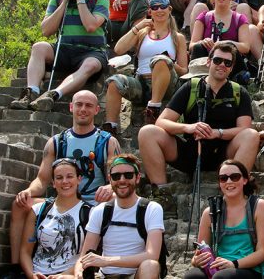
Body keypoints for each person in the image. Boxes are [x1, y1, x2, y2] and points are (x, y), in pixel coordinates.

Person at [138, 44, 260, 210]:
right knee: (147, 132)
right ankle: (162, 195)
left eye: (228, 63)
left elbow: (245, 129)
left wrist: (218, 133)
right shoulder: (191, 87)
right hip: (191, 150)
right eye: (218, 60)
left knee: (252, 135)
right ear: (209, 62)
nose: (222, 65)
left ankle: (235, 192)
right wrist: (189, 128)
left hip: (224, 155)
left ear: (231, 68)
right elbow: (161, 122)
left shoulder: (239, 92)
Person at [9, 90, 118, 274]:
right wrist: (28, 191)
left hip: (93, 200)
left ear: (97, 110)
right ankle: (14, 267)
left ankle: (98, 265)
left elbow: (117, 179)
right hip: (61, 199)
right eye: (79, 104)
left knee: (113, 202)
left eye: (89, 105)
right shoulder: (56, 142)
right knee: (20, 203)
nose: (83, 109)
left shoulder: (107, 142)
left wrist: (109, 187)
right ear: (71, 107)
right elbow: (42, 180)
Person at [10, 0, 110, 112]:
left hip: (91, 51)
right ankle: (31, 92)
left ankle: (53, 95)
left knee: (91, 64)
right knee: (38, 47)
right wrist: (64, 3)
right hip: (62, 49)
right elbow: (46, 31)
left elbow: (91, 26)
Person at [105, 0, 189, 131]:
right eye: (155, 7)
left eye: (163, 7)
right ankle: (110, 126)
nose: (159, 10)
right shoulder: (142, 33)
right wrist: (137, 28)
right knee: (114, 82)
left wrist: (167, 62)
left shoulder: (177, 37)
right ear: (150, 11)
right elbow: (119, 49)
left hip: (167, 84)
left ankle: (154, 108)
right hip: (142, 83)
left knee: (160, 60)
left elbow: (184, 71)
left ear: (169, 9)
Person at [76, 154, 164, 279]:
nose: (122, 180)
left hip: (136, 275)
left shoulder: (151, 209)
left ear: (137, 177)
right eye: (116, 176)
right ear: (109, 179)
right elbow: (84, 256)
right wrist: (79, 272)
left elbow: (152, 255)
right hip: (104, 276)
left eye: (128, 175)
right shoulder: (100, 211)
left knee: (150, 265)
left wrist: (107, 261)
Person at [183, 160, 264, 279]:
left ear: (245, 180)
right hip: (217, 267)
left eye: (235, 177)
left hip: (248, 268)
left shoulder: (258, 206)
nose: (229, 181)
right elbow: (200, 250)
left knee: (222, 277)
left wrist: (233, 264)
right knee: (192, 276)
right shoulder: (209, 213)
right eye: (223, 178)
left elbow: (263, 252)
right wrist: (196, 260)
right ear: (220, 183)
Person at [19, 158, 92, 278]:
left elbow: (88, 257)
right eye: (59, 178)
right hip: (37, 273)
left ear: (79, 179)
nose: (65, 181)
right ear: (53, 183)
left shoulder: (89, 213)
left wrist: (61, 276)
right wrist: (32, 276)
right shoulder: (38, 210)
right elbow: (25, 251)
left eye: (69, 176)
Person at [191, 0, 260, 61]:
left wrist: (226, 44)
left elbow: (245, 47)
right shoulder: (203, 17)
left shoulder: (240, 19)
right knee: (198, 47)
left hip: (230, 63)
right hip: (205, 62)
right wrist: (203, 42)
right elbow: (192, 45)